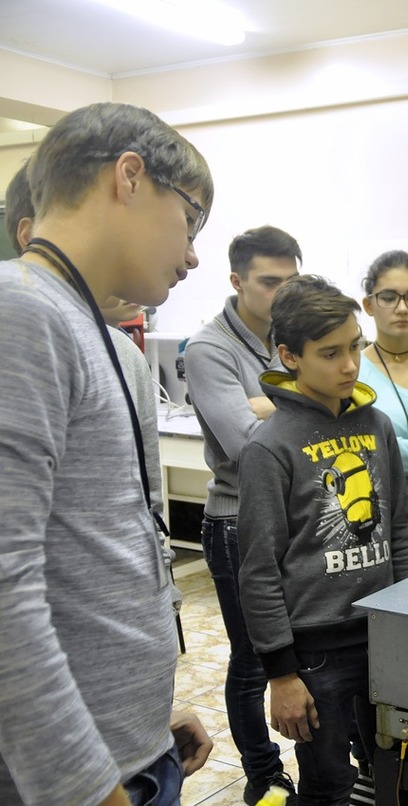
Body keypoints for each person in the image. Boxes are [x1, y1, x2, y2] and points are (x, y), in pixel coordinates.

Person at [0, 102, 214, 806]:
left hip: (130, 747)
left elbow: (105, 551)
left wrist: (146, 720)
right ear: (129, 177)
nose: (193, 253)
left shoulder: (98, 338)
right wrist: (86, 787)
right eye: (190, 220)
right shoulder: (20, 311)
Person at [238, 274, 408, 805]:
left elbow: (399, 532)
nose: (349, 365)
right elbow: (259, 571)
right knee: (329, 783)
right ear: (290, 357)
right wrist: (281, 675)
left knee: (401, 773)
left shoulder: (377, 426)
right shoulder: (269, 447)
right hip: (315, 653)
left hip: (383, 635)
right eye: (330, 353)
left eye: (355, 347)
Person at [186, 225, 303, 804]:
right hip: (235, 519)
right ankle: (262, 773)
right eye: (270, 282)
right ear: (237, 280)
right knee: (254, 660)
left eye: (292, 281)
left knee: (299, 650)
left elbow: (330, 410)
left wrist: (266, 403)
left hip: (295, 513)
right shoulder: (208, 349)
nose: (284, 294)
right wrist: (297, 402)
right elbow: (244, 446)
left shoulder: (292, 334)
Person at [359, 250, 408, 551]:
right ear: (369, 305)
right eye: (389, 297)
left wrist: (391, 449)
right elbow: (368, 454)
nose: (402, 308)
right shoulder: (352, 373)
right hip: (378, 538)